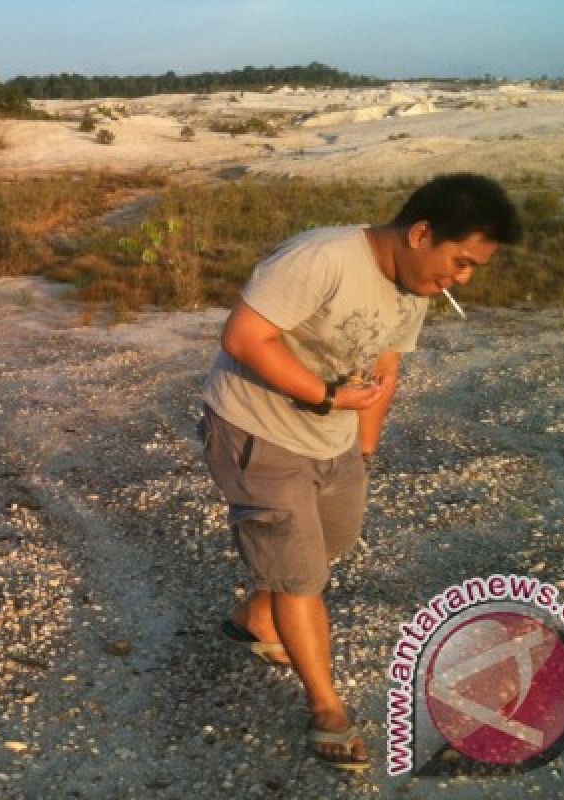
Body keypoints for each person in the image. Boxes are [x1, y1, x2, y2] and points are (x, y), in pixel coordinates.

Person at [199, 173, 521, 770]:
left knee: (329, 545)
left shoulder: (414, 285)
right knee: (301, 577)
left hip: (335, 438)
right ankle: (326, 709)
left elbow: (385, 369)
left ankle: (252, 619)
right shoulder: (320, 258)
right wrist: (323, 395)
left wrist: (362, 454)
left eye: (476, 267)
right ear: (421, 233)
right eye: (461, 261)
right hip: (255, 429)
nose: (464, 278)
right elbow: (243, 336)